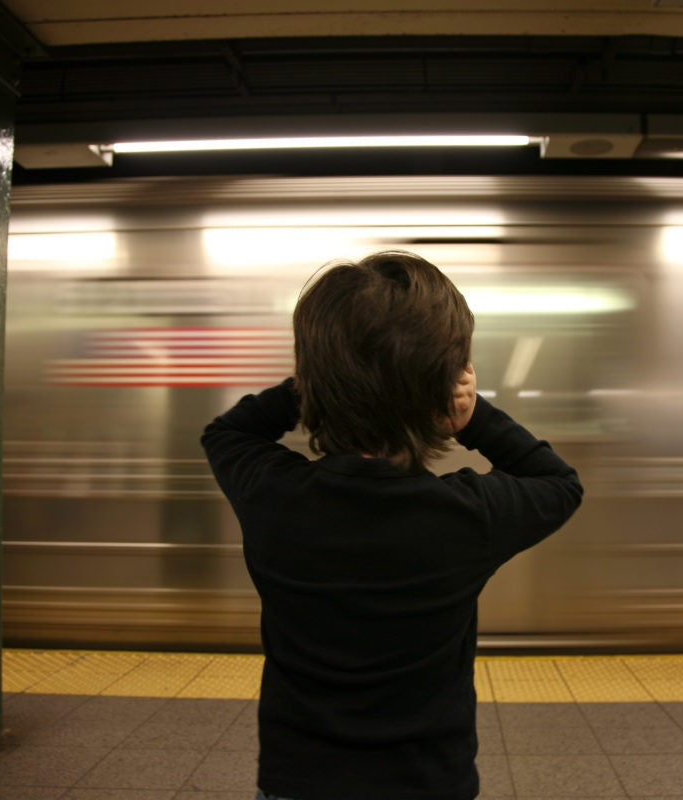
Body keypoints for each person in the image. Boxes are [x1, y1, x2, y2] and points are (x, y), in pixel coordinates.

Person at [201, 251, 583, 800]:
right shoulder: (465, 517)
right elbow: (558, 482)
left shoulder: (272, 494)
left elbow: (227, 434)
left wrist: (323, 380)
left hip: (297, 780)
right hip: (427, 781)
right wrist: (472, 417)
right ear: (443, 384)